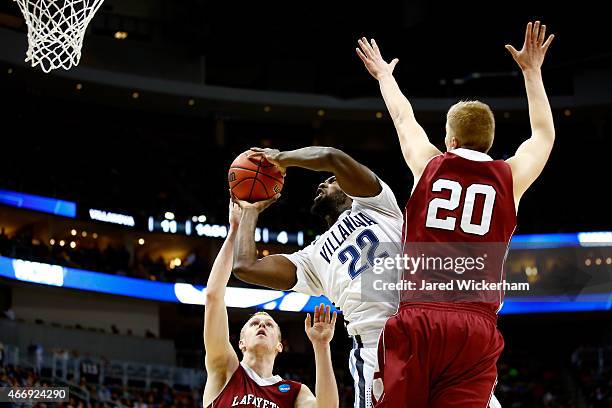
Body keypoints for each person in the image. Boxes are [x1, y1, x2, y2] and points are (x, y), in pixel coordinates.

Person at [356, 21, 555, 407]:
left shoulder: (428, 163)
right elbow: (544, 135)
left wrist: (384, 75)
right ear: (491, 141)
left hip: (419, 316)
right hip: (475, 326)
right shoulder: (510, 177)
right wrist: (532, 72)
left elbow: (403, 117)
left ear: (449, 140)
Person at [232, 146, 404, 408]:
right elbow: (245, 267)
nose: (323, 183)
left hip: (419, 320)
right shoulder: (312, 257)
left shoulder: (377, 204)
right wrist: (249, 212)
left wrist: (281, 158)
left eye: (332, 180)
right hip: (373, 342)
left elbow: (334, 158)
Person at [202, 200, 339, 408]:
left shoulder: (294, 392)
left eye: (269, 324)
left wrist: (321, 347)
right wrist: (235, 232)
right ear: (241, 343)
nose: (262, 325)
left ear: (279, 346)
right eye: (254, 323)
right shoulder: (225, 370)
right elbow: (213, 296)